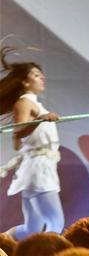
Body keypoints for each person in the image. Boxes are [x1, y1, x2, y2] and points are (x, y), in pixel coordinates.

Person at [0, 41, 63, 238]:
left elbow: (18, 140)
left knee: (32, 229)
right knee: (55, 223)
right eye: (36, 75)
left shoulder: (32, 103)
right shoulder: (25, 102)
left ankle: (3, 243)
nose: (41, 77)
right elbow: (19, 135)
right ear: (25, 82)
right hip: (38, 171)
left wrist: (40, 119)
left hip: (38, 169)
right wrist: (40, 120)